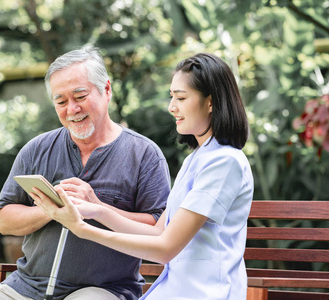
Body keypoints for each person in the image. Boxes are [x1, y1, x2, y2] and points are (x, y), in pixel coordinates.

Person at [32, 53, 254, 300]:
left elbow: (165, 249)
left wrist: (82, 229)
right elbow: (160, 232)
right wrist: (97, 209)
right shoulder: (197, 159)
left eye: (181, 98)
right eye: (172, 97)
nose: (172, 107)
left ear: (210, 102)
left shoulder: (224, 163)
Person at [0, 45, 171, 300]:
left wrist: (97, 207)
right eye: (61, 101)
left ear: (107, 90)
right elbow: (4, 220)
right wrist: (51, 209)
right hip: (26, 287)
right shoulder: (36, 149)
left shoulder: (144, 154)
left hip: (103, 290)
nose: (72, 109)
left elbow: (159, 227)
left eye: (80, 97)